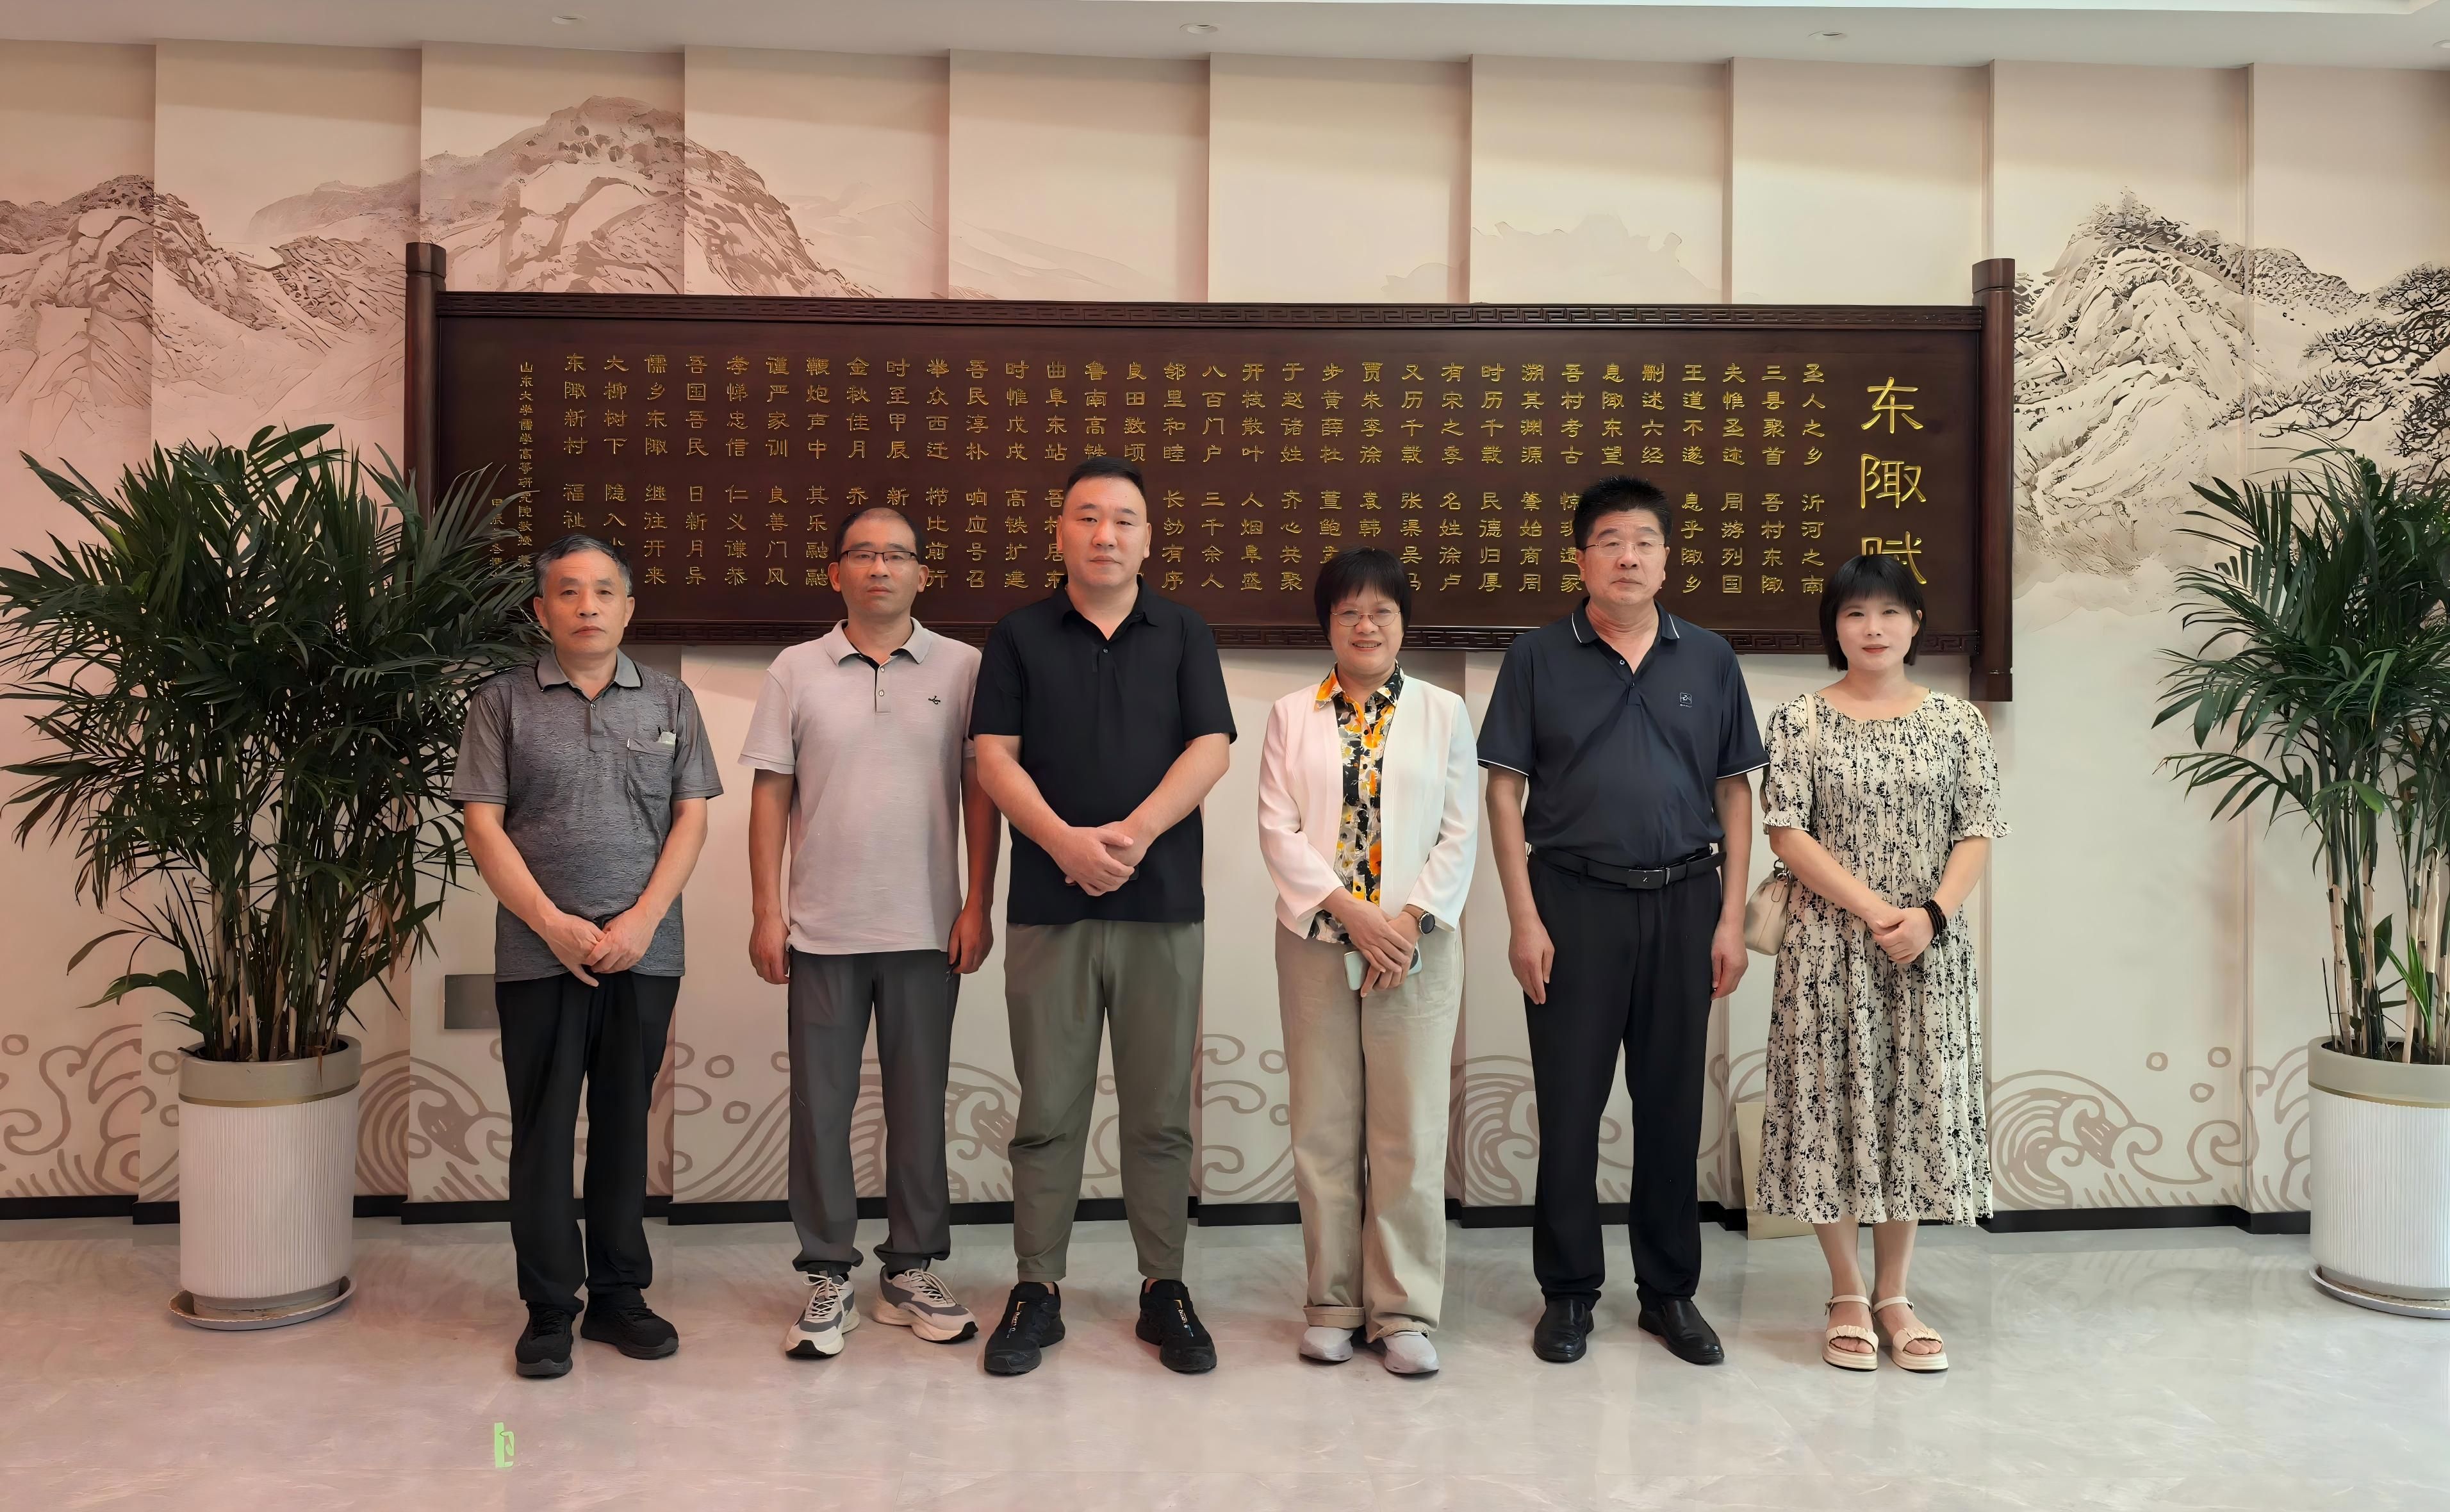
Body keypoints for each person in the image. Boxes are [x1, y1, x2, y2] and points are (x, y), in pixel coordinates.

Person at [1479, 475, 1764, 1368]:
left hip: (1686, 902)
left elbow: (1735, 792)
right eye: (1609, 541)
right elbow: (1503, 790)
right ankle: (1568, 1292)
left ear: (1667, 558)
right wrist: (1522, 918)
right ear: (1581, 559)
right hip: (1571, 902)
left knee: (1672, 1106)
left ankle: (1668, 1291)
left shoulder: (1708, 658)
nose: (1627, 556)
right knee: (1569, 1106)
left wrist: (1730, 918)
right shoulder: (1535, 657)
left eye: (1643, 541)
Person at [968, 455, 1236, 1377]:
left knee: (1159, 1114)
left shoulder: (1185, 631)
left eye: (1123, 519)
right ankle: (1036, 1285)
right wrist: (1064, 845)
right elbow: (993, 758)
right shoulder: (1018, 635)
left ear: (1147, 537)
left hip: (1164, 906)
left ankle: (1164, 1285)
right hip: (1051, 905)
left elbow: (1211, 747)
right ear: (1060, 532)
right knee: (1048, 1109)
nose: (1104, 534)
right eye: (1087, 516)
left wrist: (1133, 833)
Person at [454, 534, 723, 1380]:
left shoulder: (671, 700)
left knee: (623, 1125)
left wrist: (642, 920)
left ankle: (618, 1295)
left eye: (604, 591)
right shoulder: (501, 701)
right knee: (541, 1132)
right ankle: (547, 1308)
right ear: (542, 610)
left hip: (644, 952)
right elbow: (482, 825)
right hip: (538, 954)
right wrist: (551, 923)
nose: (587, 606)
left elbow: (691, 818)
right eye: (568, 592)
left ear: (628, 608)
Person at [741, 505, 1000, 1361]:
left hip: (928, 928)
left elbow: (980, 793)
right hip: (821, 929)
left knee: (919, 1105)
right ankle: (826, 1272)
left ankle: (911, 1267)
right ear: (835, 572)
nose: (879, 568)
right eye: (862, 554)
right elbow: (770, 793)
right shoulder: (795, 668)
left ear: (924, 573)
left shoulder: (963, 667)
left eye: (896, 555)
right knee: (820, 1108)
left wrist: (977, 902)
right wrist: (767, 910)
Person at [1755, 554, 2006, 1374]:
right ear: (1833, 626)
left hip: (1927, 947)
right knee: (1828, 1106)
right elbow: (1786, 830)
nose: (1873, 628)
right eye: (1855, 613)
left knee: (1910, 1109)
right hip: (1827, 948)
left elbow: (1976, 829)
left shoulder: (1957, 721)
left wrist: (1929, 916)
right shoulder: (1798, 719)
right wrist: (1873, 911)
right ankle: (1844, 1291)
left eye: (1890, 612)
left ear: (1914, 623)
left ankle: (1894, 1294)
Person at [1255, 548, 1479, 1377]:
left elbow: (1460, 829)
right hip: (1317, 940)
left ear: (1402, 623)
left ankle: (1404, 1310)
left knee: (1408, 1130)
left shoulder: (1443, 711)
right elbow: (1276, 827)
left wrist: (1407, 923)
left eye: (1381, 610)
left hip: (1417, 947)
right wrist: (1351, 913)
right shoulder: (1291, 714)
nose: (1365, 624)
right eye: (1348, 610)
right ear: (1328, 624)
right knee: (1323, 1126)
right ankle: (1332, 1305)